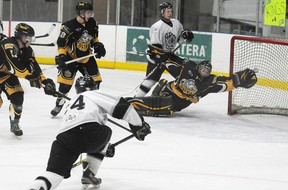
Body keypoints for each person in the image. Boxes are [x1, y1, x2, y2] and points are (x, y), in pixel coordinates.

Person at [9, 76, 151, 190]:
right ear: (93, 87)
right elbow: (122, 107)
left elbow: (78, 130)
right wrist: (138, 125)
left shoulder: (70, 104)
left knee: (54, 175)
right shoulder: (93, 94)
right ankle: (89, 173)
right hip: (92, 133)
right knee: (105, 131)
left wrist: (102, 146)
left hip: (64, 139)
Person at [128, 60, 258, 116]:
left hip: (181, 102)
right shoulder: (188, 69)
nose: (204, 72)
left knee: (169, 106)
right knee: (162, 85)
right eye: (202, 69)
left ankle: (139, 105)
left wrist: (237, 81)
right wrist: (162, 60)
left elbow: (225, 83)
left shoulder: (210, 81)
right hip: (169, 89)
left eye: (207, 71)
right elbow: (168, 63)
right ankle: (139, 102)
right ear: (198, 68)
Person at [50, 1, 106, 117]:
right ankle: (59, 103)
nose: (91, 15)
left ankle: (93, 106)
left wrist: (97, 45)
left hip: (86, 58)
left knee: (96, 82)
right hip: (71, 58)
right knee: (64, 87)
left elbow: (94, 37)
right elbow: (61, 44)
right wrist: (61, 57)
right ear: (81, 13)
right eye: (88, 12)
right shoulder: (68, 26)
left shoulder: (93, 23)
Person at [0, 23, 56, 137]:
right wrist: (29, 77)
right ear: (20, 36)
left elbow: (34, 67)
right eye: (28, 37)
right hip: (8, 72)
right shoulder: (8, 45)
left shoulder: (28, 50)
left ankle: (15, 123)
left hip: (7, 76)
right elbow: (13, 66)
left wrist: (44, 81)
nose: (30, 40)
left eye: (31, 37)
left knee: (18, 96)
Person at [133, 1, 194, 97]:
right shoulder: (157, 26)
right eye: (168, 11)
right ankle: (137, 99)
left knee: (183, 71)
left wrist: (186, 35)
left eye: (171, 11)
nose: (170, 13)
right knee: (150, 82)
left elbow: (180, 37)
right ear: (162, 12)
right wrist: (158, 55)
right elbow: (155, 45)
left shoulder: (176, 23)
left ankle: (179, 95)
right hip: (157, 58)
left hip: (169, 55)